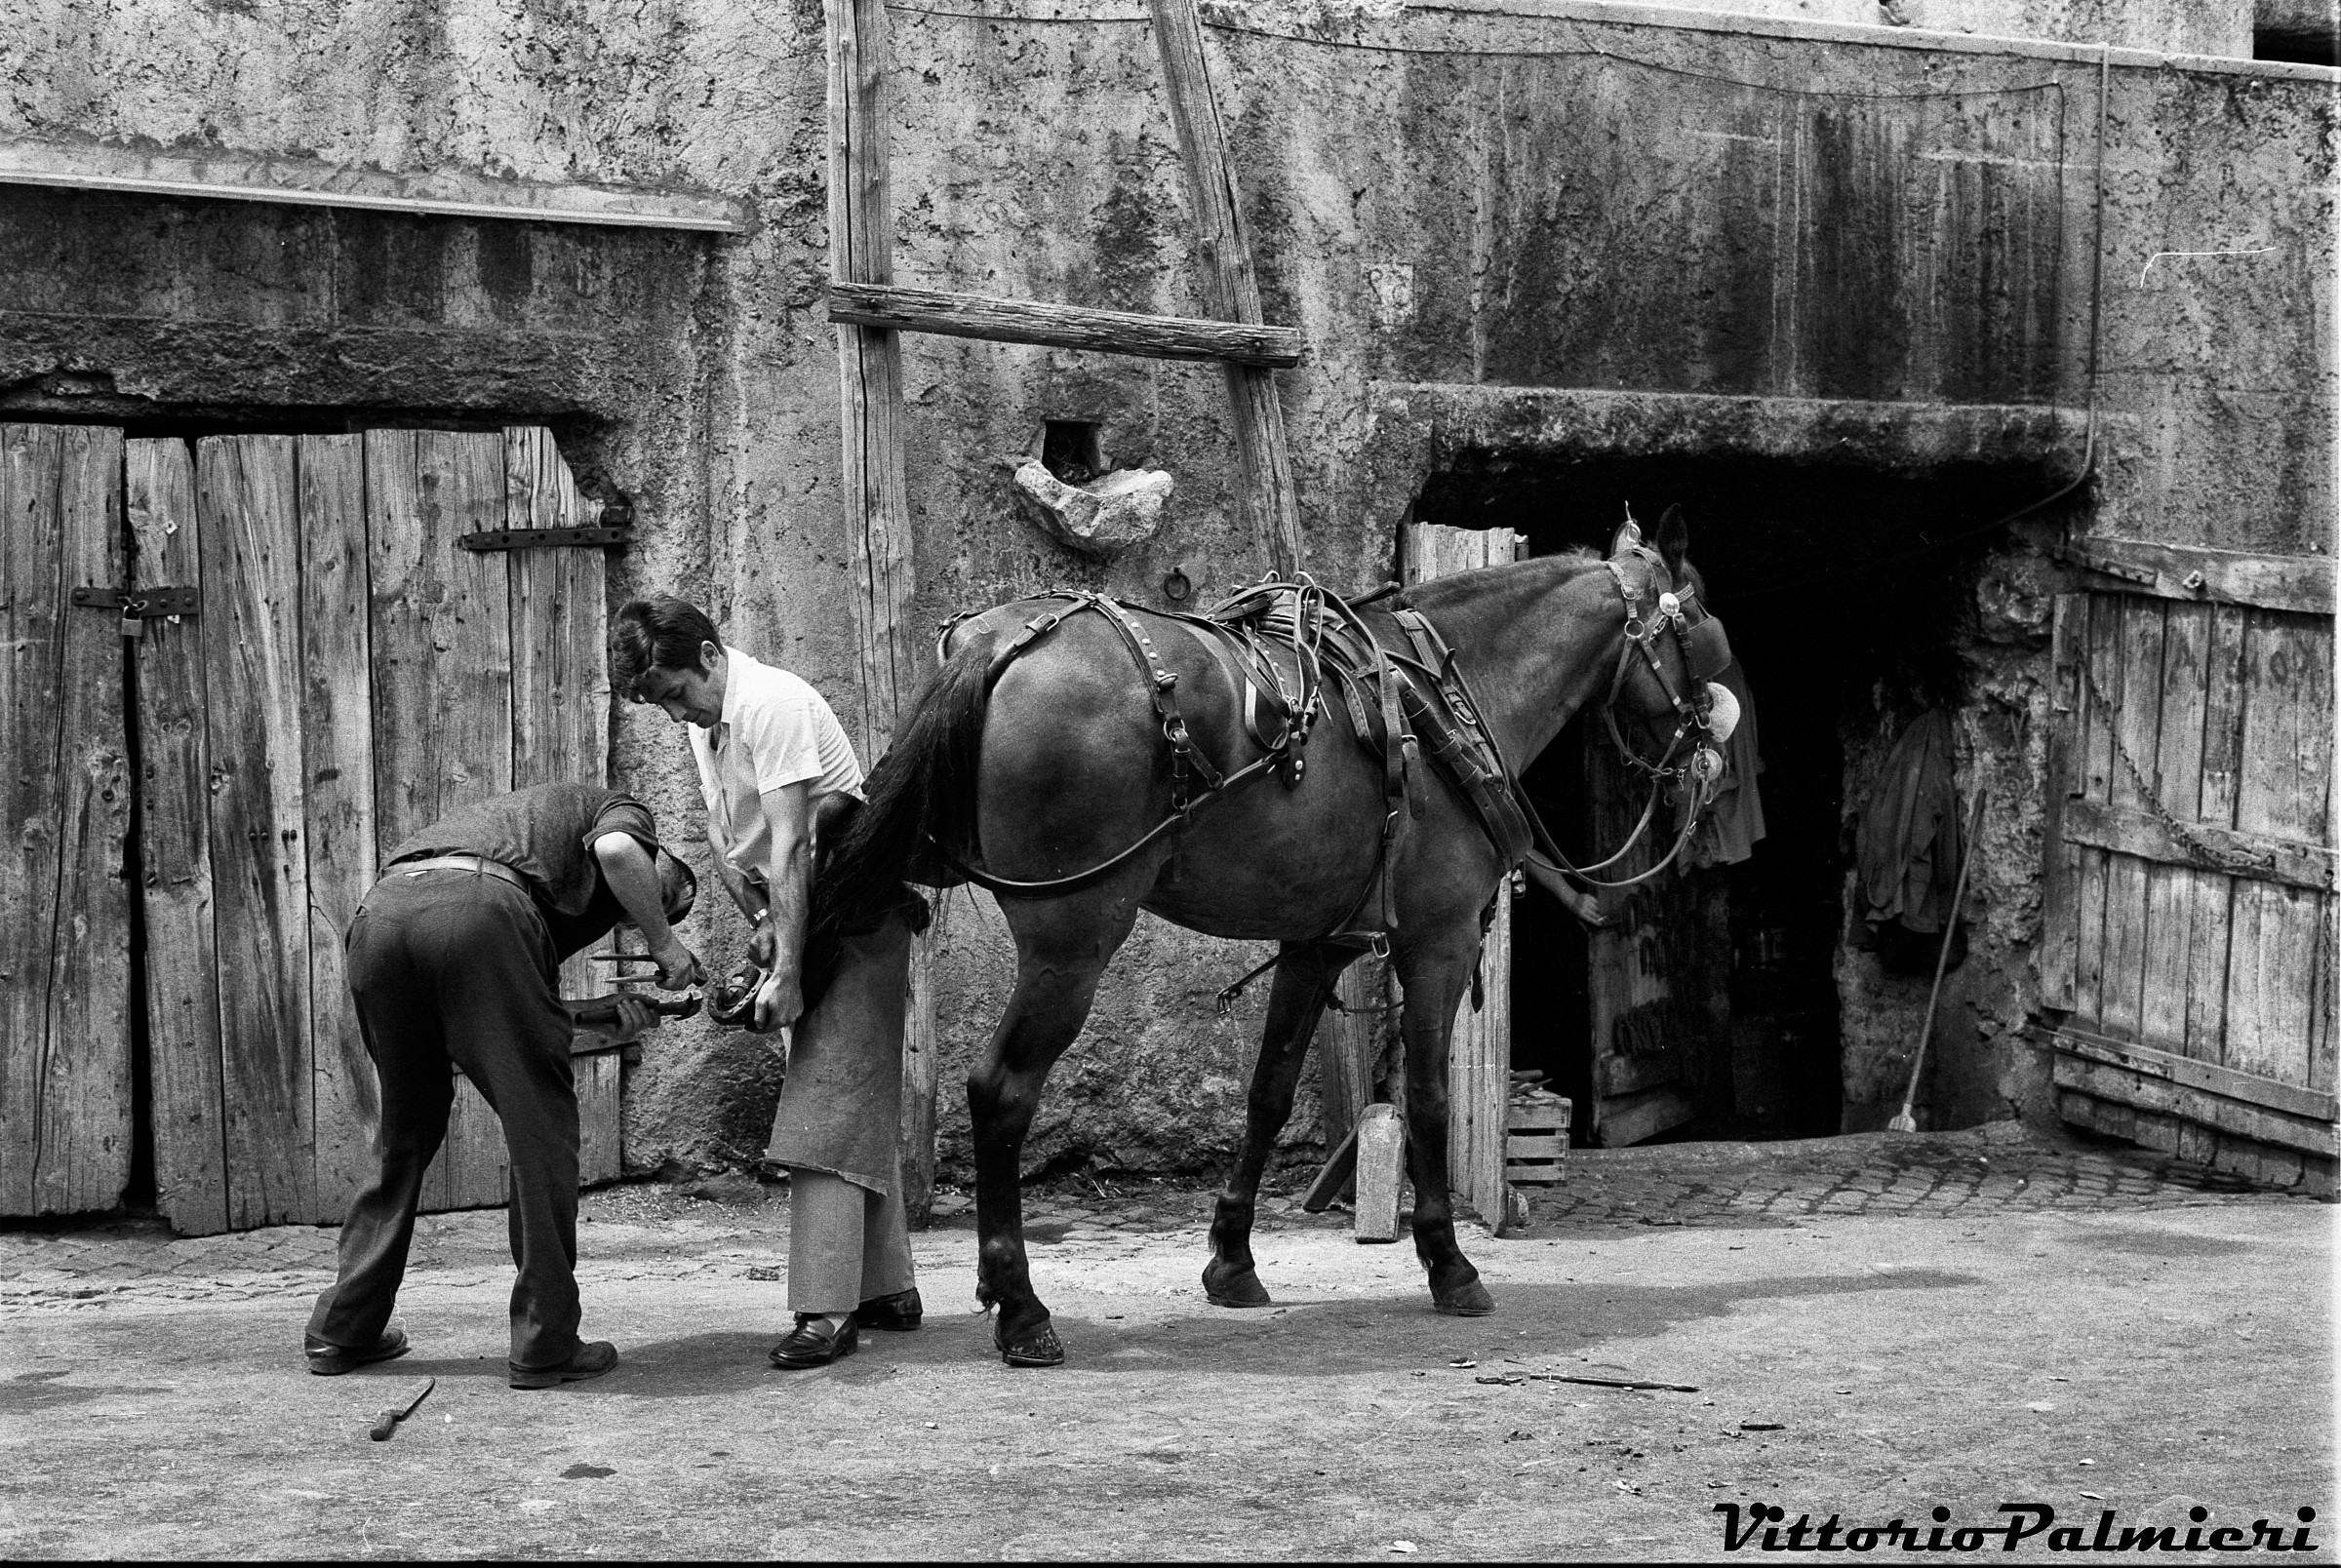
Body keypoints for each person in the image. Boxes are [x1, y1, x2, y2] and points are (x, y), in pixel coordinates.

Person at [303, 783, 703, 1390]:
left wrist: (605, 1013)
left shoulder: (531, 862)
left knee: (404, 1131)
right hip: (479, 916)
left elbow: (510, 1018)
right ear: (663, 859)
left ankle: (342, 1330)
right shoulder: (619, 816)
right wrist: (667, 944)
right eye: (659, 897)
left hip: (381, 916)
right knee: (540, 1133)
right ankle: (546, 1343)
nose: (633, 911)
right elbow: (621, 851)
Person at [610, 595, 922, 1370]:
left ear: (711, 657)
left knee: (824, 1103)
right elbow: (724, 835)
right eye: (662, 703)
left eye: (679, 690)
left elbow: (791, 844)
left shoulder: (773, 703)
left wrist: (785, 969)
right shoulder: (704, 720)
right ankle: (887, 1289)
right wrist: (760, 922)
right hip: (800, 915)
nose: (677, 709)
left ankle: (827, 1309)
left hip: (854, 912)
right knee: (845, 1092)